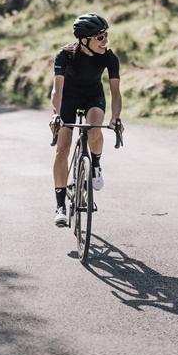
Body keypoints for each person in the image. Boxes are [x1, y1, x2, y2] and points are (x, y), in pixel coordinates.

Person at [49, 13, 124, 227]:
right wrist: (56, 114)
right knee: (62, 149)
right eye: (100, 37)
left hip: (93, 96)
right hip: (68, 99)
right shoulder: (65, 55)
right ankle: (60, 206)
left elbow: (116, 93)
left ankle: (96, 165)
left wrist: (115, 118)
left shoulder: (109, 57)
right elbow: (57, 90)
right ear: (84, 40)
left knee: (94, 130)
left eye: (106, 35)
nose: (105, 41)